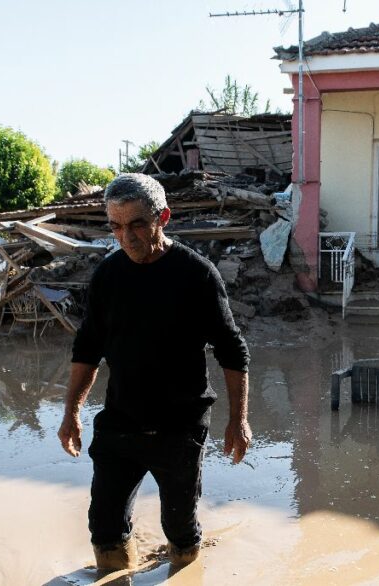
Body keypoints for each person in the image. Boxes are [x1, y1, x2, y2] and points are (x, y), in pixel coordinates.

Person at [57, 173, 251, 572]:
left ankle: (184, 571)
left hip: (180, 427)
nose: (126, 237)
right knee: (104, 528)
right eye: (115, 226)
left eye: (137, 224)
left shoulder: (196, 275)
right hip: (120, 424)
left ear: (163, 216)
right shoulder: (108, 277)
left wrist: (238, 420)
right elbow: (88, 348)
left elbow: (232, 349)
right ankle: (115, 575)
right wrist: (71, 413)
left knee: (179, 529)